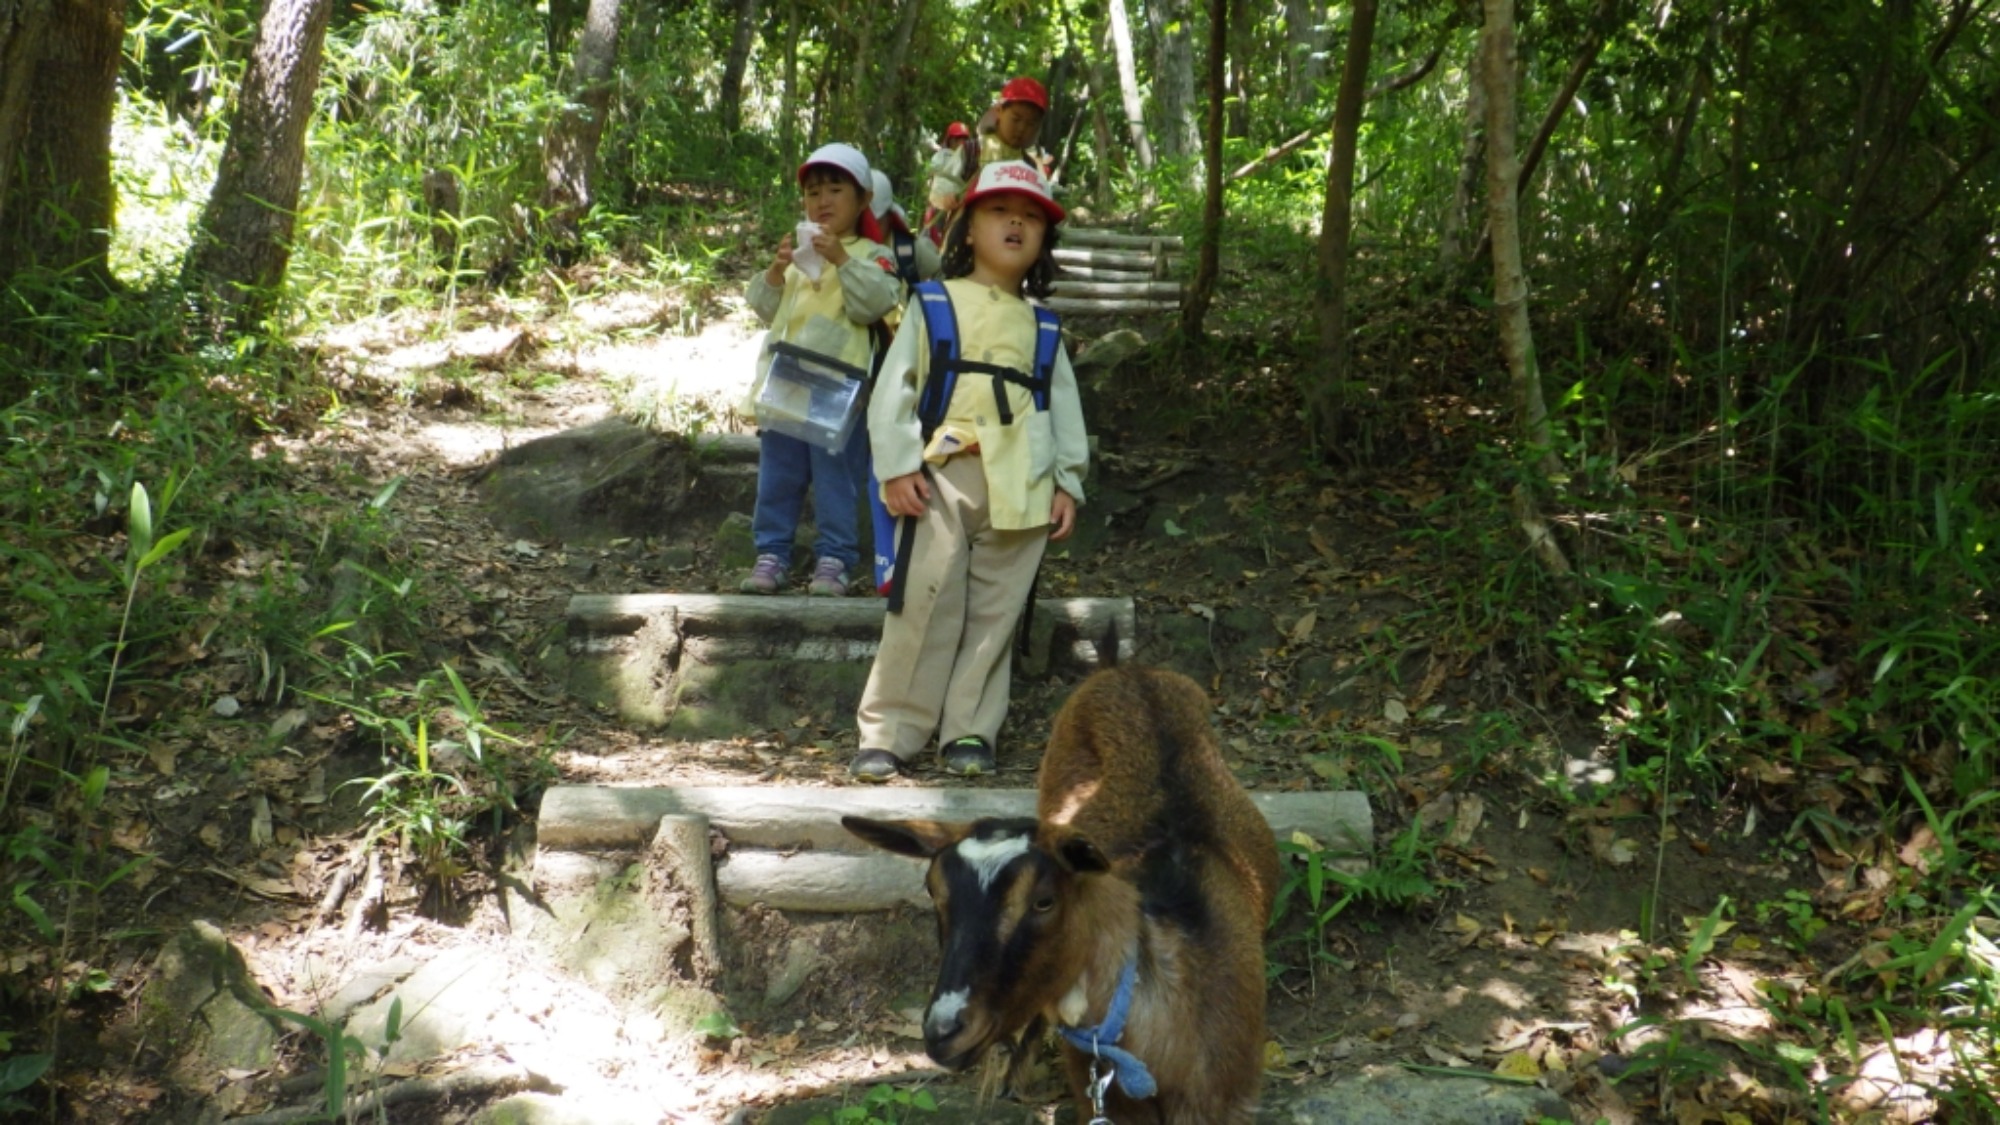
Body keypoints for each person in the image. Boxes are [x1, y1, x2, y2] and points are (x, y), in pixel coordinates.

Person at [850, 161, 1087, 780]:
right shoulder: (931, 304)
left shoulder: (1045, 325)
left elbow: (1062, 408)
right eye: (998, 211)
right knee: (922, 604)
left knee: (996, 614)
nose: (1016, 222)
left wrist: (1068, 482)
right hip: (942, 476)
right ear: (967, 229)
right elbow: (894, 391)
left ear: (1044, 240)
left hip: (1024, 482)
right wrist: (898, 466)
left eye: (1032, 215)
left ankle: (971, 731)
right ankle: (891, 731)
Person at [740, 143, 903, 598]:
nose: (823, 201)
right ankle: (771, 553)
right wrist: (776, 272)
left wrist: (843, 260)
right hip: (787, 381)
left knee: (837, 476)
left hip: (840, 387)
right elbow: (763, 309)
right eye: (814, 193)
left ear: (864, 199)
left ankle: (835, 558)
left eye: (836, 189)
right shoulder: (799, 254)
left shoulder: (874, 255)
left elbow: (876, 302)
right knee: (779, 472)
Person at [974, 76, 1052, 176]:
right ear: (1000, 111)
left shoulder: (1029, 167)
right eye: (1016, 119)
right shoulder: (973, 150)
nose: (1022, 128)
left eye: (1030, 124)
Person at [922, 122, 973, 243]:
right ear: (951, 140)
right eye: (958, 139)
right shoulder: (940, 155)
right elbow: (931, 172)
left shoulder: (965, 157)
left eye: (964, 139)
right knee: (933, 229)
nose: (961, 142)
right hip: (938, 200)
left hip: (957, 200)